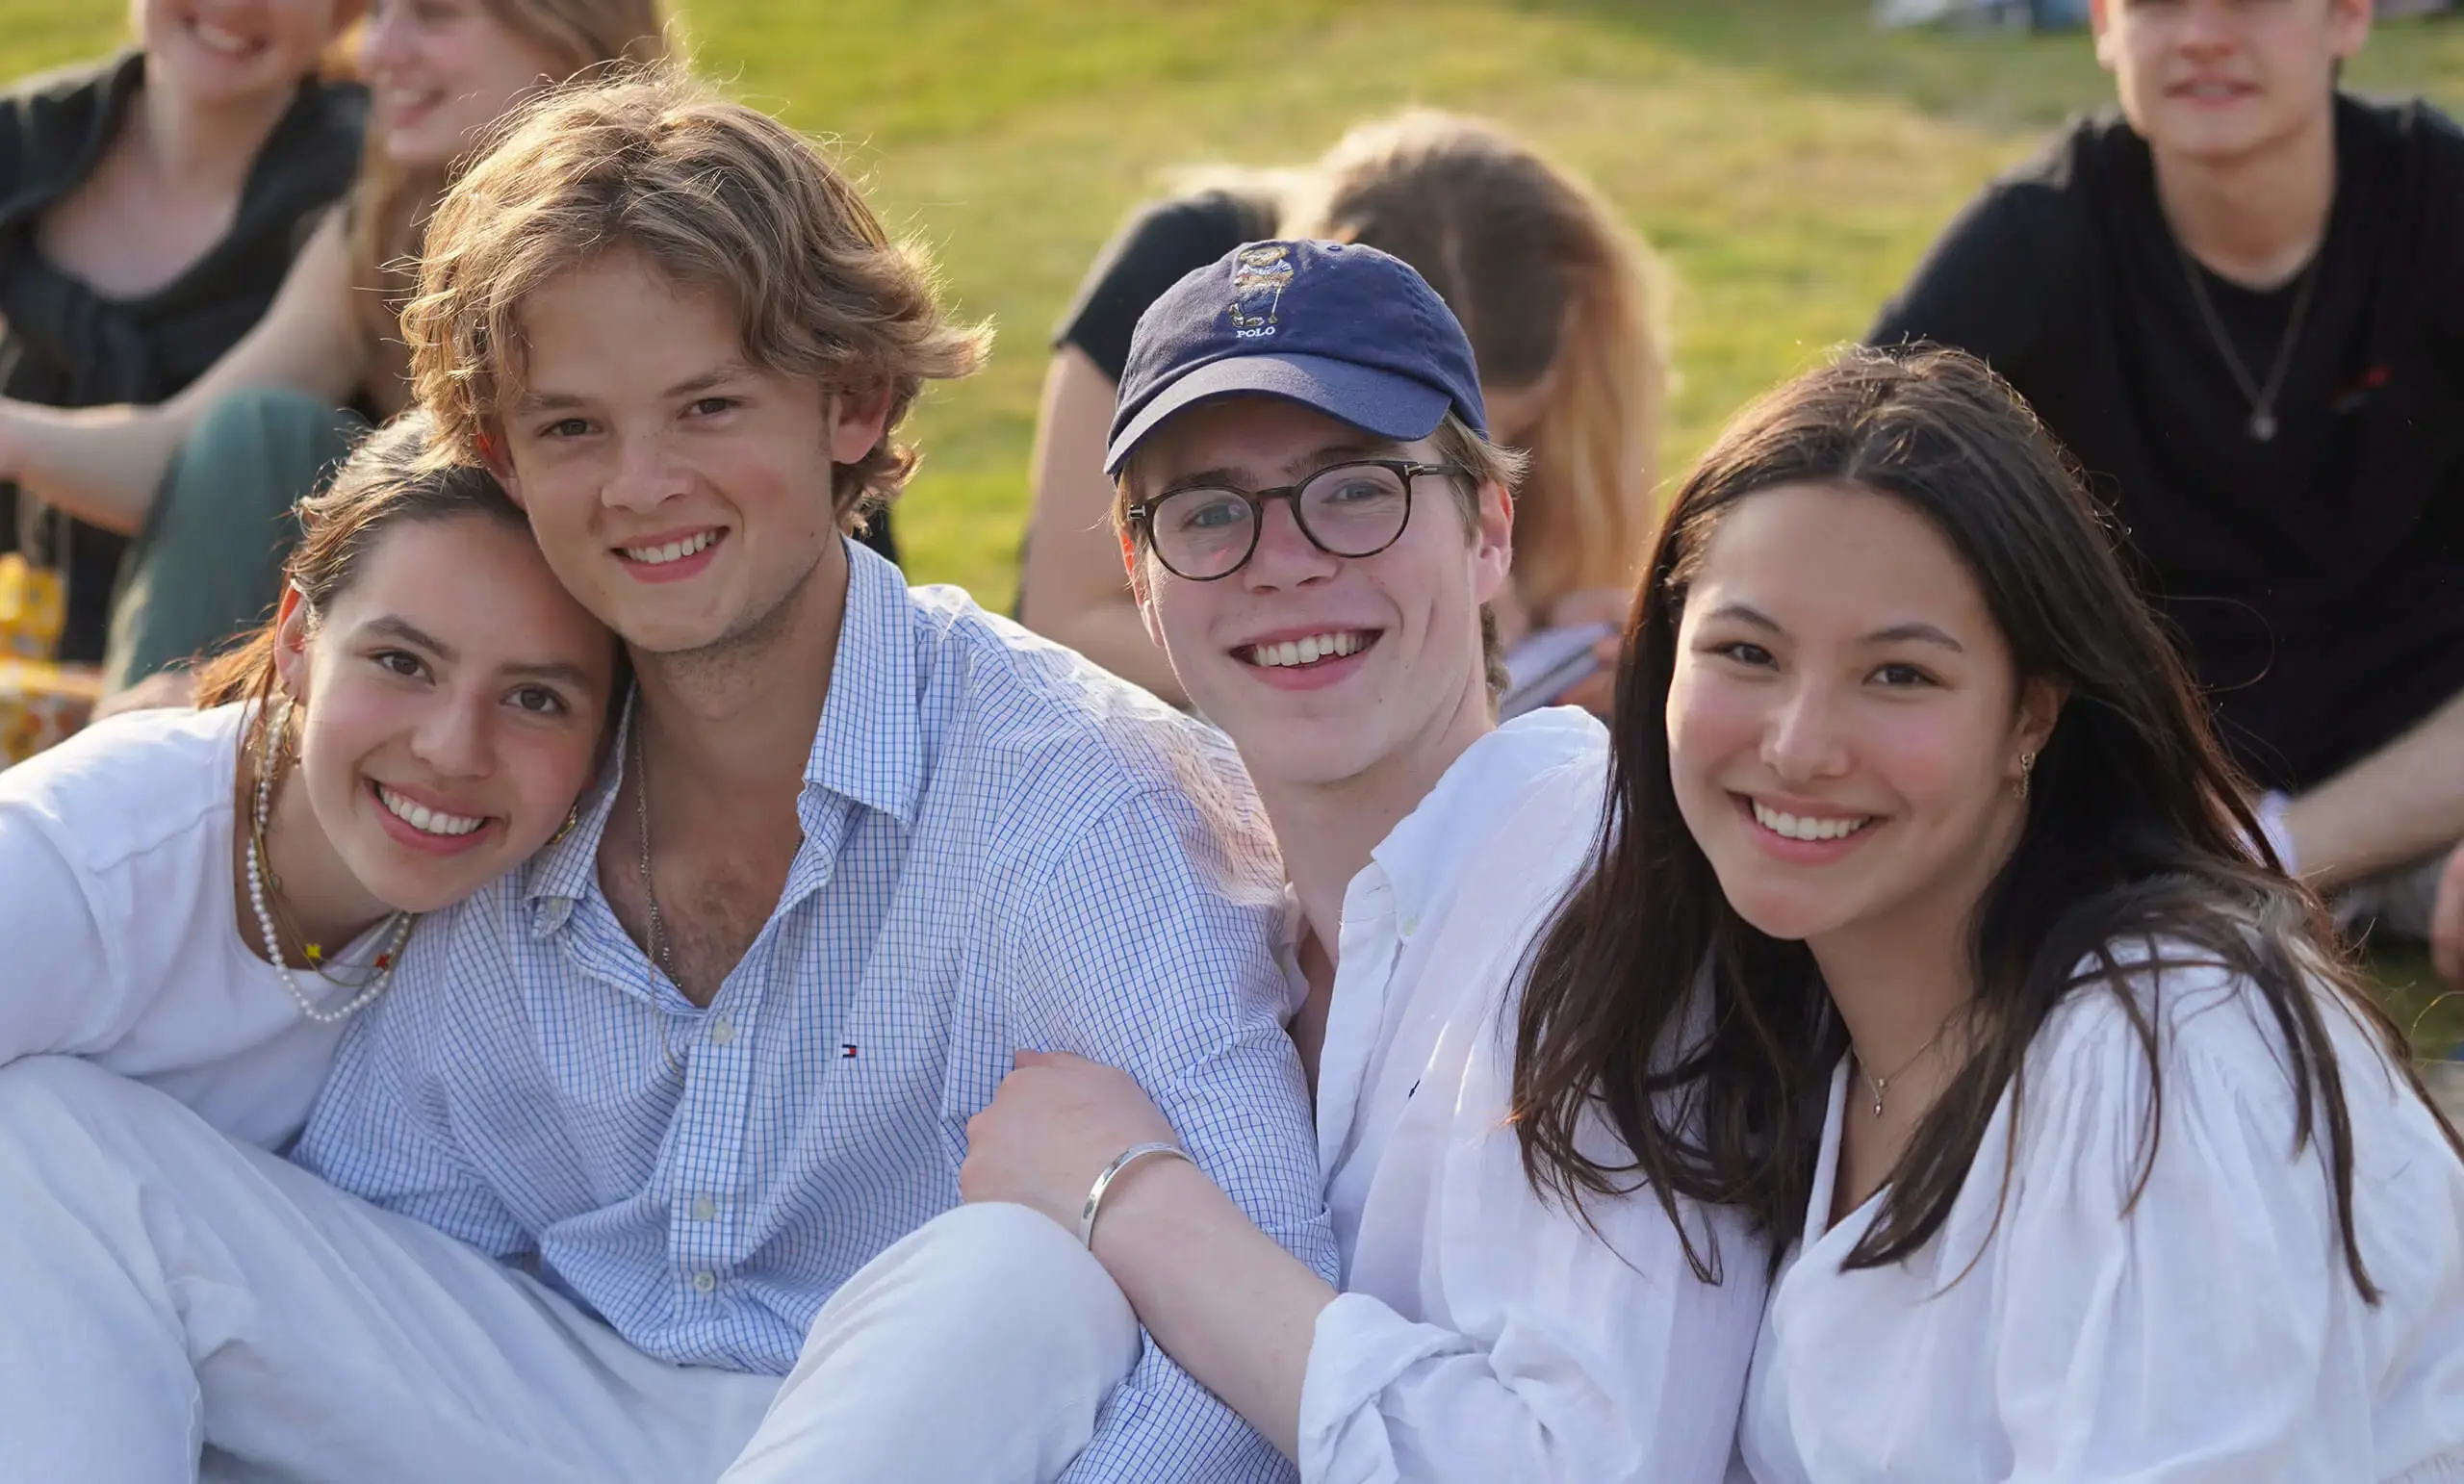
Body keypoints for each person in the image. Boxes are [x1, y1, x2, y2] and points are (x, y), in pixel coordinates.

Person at [0, 70, 1330, 1482]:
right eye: (573, 427)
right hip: (567, 1412)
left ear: (854, 403)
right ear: (503, 456)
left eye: (706, 406)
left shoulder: (1071, 796)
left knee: (1022, 1273)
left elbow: (1245, 1350)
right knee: (55, 1144)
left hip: (907, 1424)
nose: (641, 483)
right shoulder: (502, 779)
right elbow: (382, 1240)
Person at [1506, 345, 2464, 1479]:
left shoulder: (2165, 1050)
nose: (1800, 746)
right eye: (1747, 653)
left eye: (1898, 675)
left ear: (2030, 719)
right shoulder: (1781, 1019)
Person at [951, 239, 1764, 1482]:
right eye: (1210, 511)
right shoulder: (1196, 904)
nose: (1286, 561)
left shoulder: (1595, 892)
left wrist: (1134, 1200)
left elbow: (1586, 1464)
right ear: (1142, 576)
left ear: (1489, 527)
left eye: (1354, 489)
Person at [1866, 0, 2464, 980]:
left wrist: (2279, 853)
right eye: (2157, 5)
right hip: (2138, 812)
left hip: (2421, 800)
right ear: (2102, 25)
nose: (2200, 36)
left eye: (2249, 3)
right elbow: (1832, 483)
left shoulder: (2434, 197)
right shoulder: (2042, 233)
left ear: (2346, 18)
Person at [0, 0, 717, 698]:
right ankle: (150, 755)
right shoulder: (390, 220)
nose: (374, 51)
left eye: (432, 15)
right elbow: (183, 454)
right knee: (260, 435)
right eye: (378, 13)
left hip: (629, 624)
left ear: (567, 33)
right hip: (433, 643)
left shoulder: (676, 234)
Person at [0, 408, 620, 1151]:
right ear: (298, 640)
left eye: (535, 700)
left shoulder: (554, 920)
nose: (454, 752)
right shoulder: (75, 869)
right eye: (402, 662)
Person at [1019, 110, 1667, 715]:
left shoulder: (1587, 341)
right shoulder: (1171, 272)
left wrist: (1585, 633)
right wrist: (1349, 646)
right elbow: (1065, 621)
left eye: (1516, 432)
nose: (1475, 464)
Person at [0, 0, 365, 670]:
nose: (235, 6)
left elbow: (193, 468)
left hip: (204, 677)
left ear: (345, 12)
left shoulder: (368, 195)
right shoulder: (19, 138)